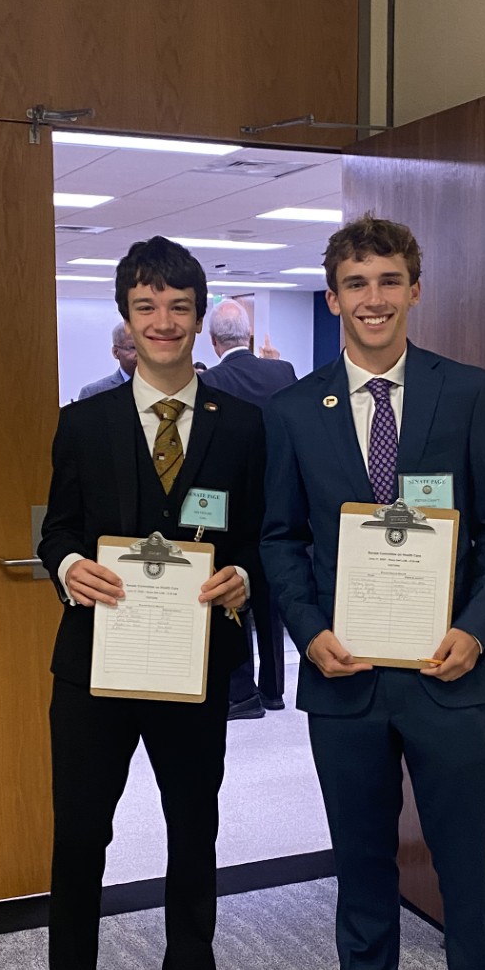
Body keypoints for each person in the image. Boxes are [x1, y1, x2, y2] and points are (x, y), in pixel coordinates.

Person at [261, 214, 485, 970]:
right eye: (356, 284)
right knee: (361, 864)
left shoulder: (463, 394)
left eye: (389, 281)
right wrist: (307, 633)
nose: (374, 300)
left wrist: (475, 629)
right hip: (344, 679)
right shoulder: (298, 410)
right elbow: (280, 540)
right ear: (334, 295)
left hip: (445, 673)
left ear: (414, 290)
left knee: (467, 865)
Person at [32, 237, 265, 970]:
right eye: (146, 305)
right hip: (94, 667)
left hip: (192, 666)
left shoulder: (243, 425)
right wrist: (66, 567)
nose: (163, 321)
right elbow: (56, 531)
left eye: (178, 306)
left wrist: (247, 576)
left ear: (200, 318)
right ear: (127, 318)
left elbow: (261, 537)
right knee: (79, 839)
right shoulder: (83, 420)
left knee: (193, 835)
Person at [203, 299, 297, 718]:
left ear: (212, 341)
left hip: (234, 509)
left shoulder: (213, 381)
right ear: (251, 337)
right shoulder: (283, 371)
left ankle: (243, 695)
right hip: (281, 502)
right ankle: (275, 689)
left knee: (234, 597)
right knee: (272, 601)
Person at [75, 321, 137, 401]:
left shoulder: (157, 388)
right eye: (132, 348)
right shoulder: (93, 393)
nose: (143, 354)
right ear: (115, 352)